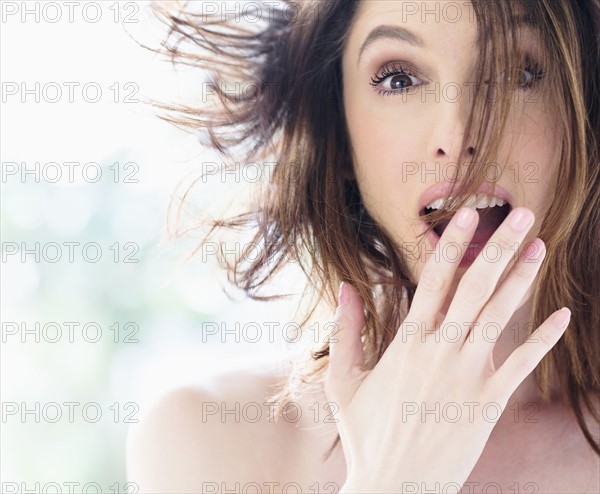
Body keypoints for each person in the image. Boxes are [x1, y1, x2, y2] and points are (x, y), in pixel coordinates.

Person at [126, 1, 600, 492]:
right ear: (341, 134)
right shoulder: (208, 439)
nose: (456, 135)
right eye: (398, 80)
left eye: (518, 72)